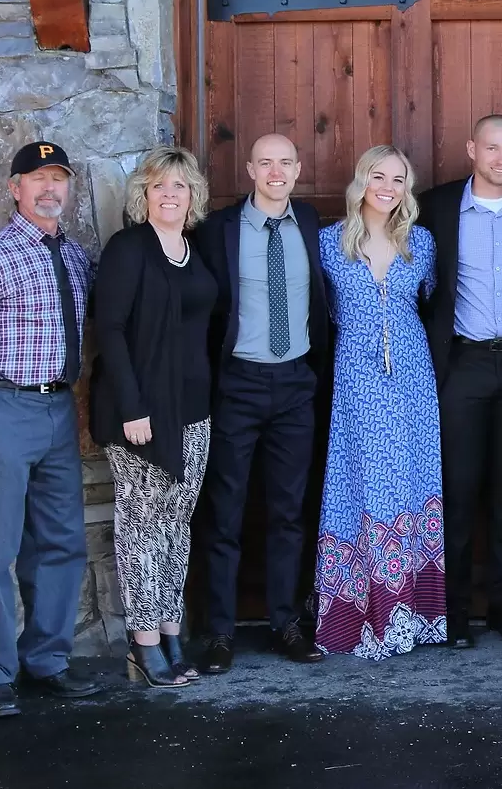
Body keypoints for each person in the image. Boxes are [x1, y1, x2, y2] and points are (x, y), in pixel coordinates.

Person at [0, 141, 102, 718]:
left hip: (59, 411)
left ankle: (48, 660)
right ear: (15, 188)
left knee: (61, 542)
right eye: (37, 178)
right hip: (4, 410)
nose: (49, 188)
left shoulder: (76, 258)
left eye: (58, 178)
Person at [195, 133, 328, 672]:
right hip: (238, 383)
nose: (276, 172)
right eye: (265, 162)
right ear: (250, 169)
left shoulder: (311, 223)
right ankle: (219, 631)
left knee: (289, 512)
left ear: (298, 169)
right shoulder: (219, 230)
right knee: (225, 511)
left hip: (296, 383)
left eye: (285, 163)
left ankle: (285, 623)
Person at [90, 146, 218, 688]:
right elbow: (110, 329)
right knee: (142, 528)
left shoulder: (193, 248)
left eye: (179, 186)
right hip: (139, 413)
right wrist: (133, 407)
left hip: (193, 411)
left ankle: (170, 634)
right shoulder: (129, 248)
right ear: (144, 195)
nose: (170, 194)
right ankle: (143, 647)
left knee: (175, 526)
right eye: (159, 186)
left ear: (193, 196)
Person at [313, 145, 447, 659]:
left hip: (412, 377)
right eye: (378, 176)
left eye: (398, 179)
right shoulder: (328, 243)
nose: (387, 187)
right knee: (361, 482)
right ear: (361, 181)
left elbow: (431, 301)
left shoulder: (422, 243)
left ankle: (415, 611)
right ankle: (361, 614)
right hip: (357, 377)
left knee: (412, 480)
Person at [417, 115, 502, 646]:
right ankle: (452, 610)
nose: (501, 159)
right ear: (472, 148)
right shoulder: (435, 206)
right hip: (462, 365)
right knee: (458, 487)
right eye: (492, 147)